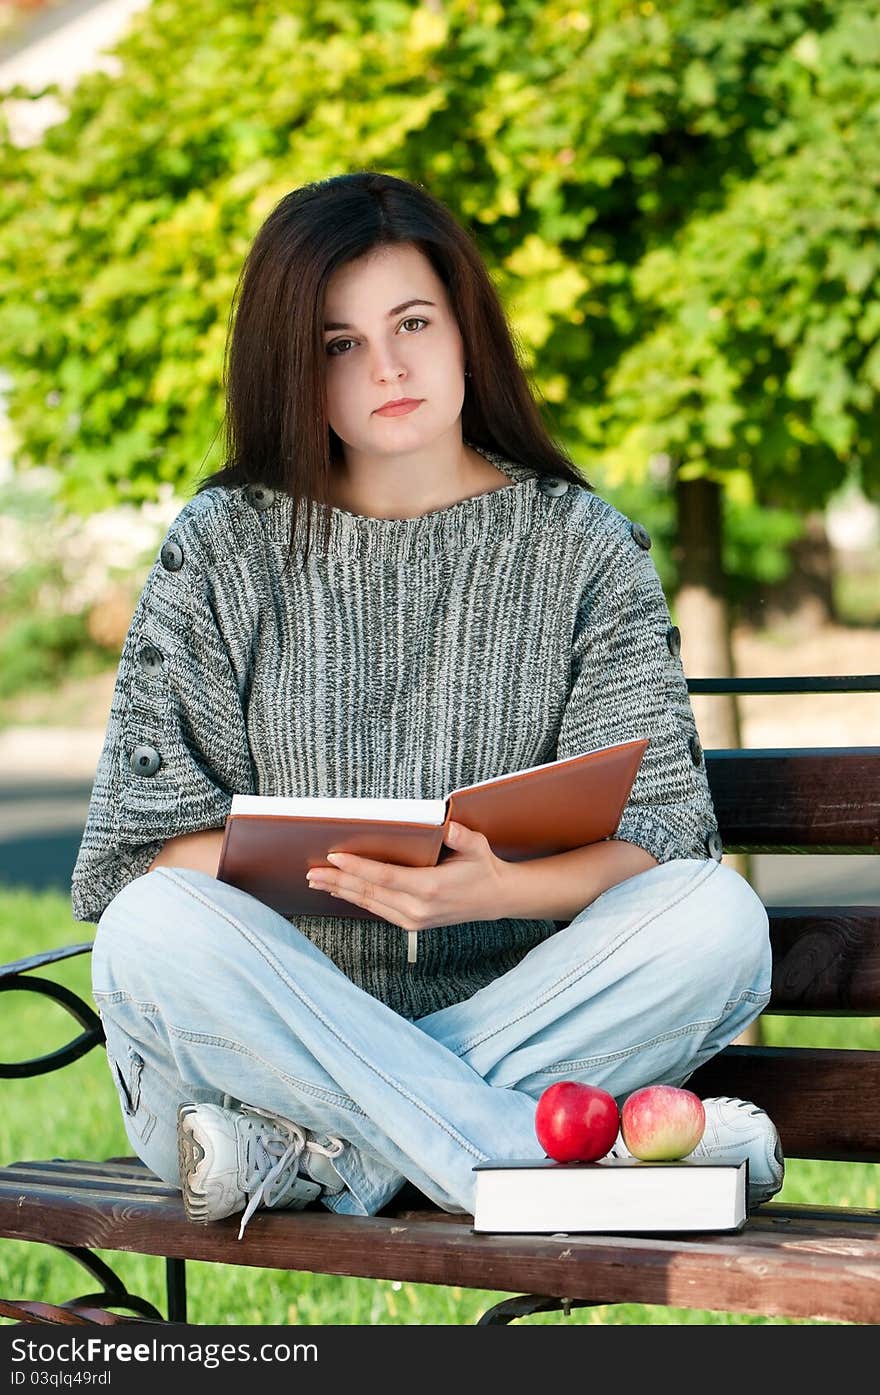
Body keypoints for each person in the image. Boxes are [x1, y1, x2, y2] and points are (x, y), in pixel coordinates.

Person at [72, 171, 783, 1241]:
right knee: (150, 928)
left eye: (411, 322)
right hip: (261, 1042)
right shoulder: (222, 546)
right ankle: (521, 1154)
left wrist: (493, 890)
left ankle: (329, 1159)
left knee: (716, 919)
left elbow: (660, 840)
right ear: (293, 368)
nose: (388, 366)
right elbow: (138, 857)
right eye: (339, 344)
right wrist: (323, 867)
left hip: (430, 1051)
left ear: (466, 332)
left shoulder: (580, 547)